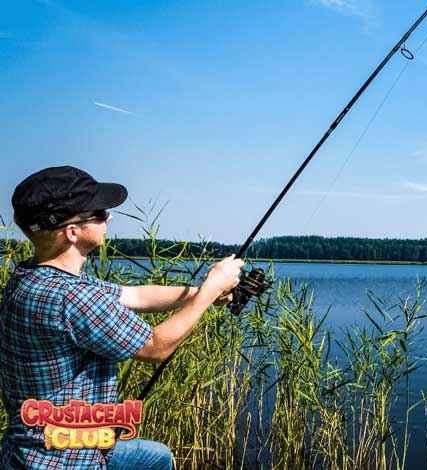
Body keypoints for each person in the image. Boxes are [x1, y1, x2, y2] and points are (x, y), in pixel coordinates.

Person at [0, 166, 244, 469]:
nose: (109, 217)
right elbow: (156, 347)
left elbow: (134, 296)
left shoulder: (32, 276)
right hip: (67, 459)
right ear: (72, 231)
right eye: (100, 213)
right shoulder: (73, 297)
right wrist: (210, 290)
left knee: (157, 457)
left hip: (36, 445)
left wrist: (202, 292)